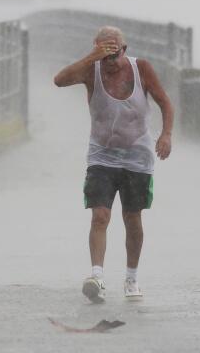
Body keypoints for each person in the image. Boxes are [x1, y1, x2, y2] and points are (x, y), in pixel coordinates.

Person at [53, 26, 173, 302]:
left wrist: (166, 134)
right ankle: (96, 275)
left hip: (137, 158)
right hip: (101, 157)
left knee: (132, 218)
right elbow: (59, 81)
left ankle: (131, 278)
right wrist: (91, 57)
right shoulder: (90, 70)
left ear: (124, 49)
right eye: (104, 54)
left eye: (114, 53)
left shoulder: (141, 68)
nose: (110, 61)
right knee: (100, 216)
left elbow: (166, 103)